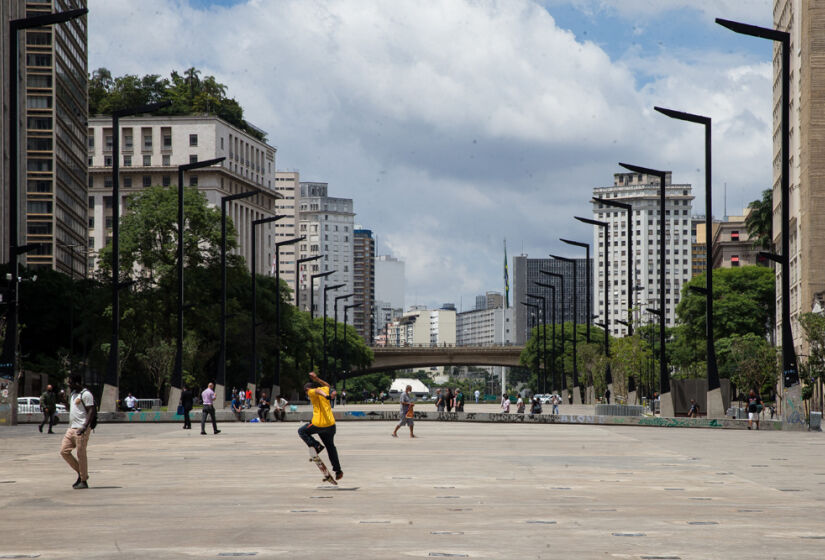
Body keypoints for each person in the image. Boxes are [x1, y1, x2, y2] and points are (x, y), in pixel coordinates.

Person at [298, 372, 343, 480]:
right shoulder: (326, 388)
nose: (307, 393)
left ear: (307, 389)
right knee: (330, 447)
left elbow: (318, 391)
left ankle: (316, 445)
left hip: (319, 424)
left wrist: (326, 396)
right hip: (331, 425)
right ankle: (338, 471)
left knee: (302, 431)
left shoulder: (312, 391)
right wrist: (317, 378)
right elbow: (328, 386)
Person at [60, 373, 96, 489]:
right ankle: (81, 474)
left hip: (81, 428)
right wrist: (64, 401)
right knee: (64, 451)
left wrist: (85, 426)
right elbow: (71, 408)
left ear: (77, 383)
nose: (69, 385)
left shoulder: (86, 394)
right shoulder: (73, 394)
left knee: (81, 454)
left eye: (70, 382)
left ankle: (83, 480)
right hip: (71, 428)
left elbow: (91, 411)